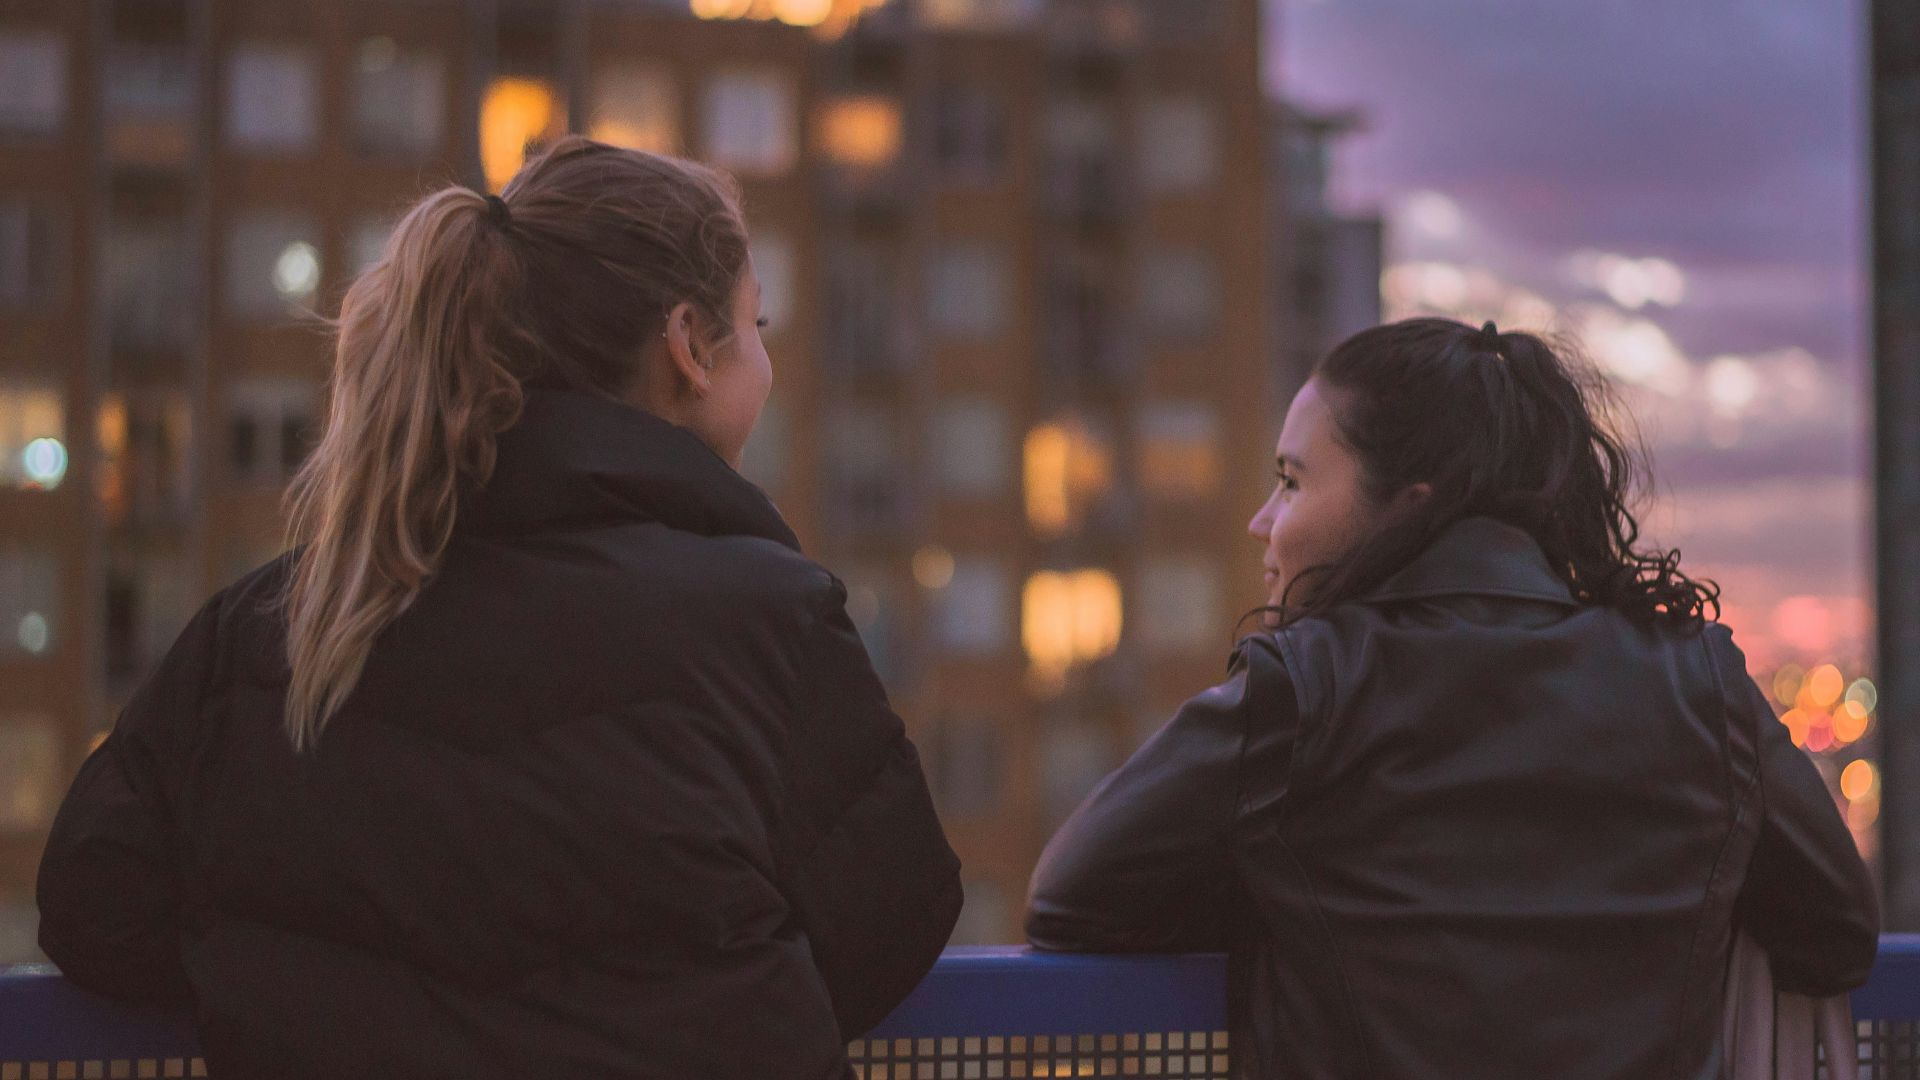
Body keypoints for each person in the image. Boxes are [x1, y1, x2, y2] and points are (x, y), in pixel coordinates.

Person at [37, 136, 961, 1080]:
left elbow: (95, 908)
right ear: (688, 346)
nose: (764, 356)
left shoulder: (275, 627)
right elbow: (896, 920)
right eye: (757, 324)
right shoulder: (775, 625)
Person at [1025, 317, 1877, 1078]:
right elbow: (1835, 930)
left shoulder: (1305, 690)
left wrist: (1290, 895)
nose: (1263, 522)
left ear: (1405, 507)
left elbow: (1071, 903)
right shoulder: (1698, 681)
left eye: (1290, 481)